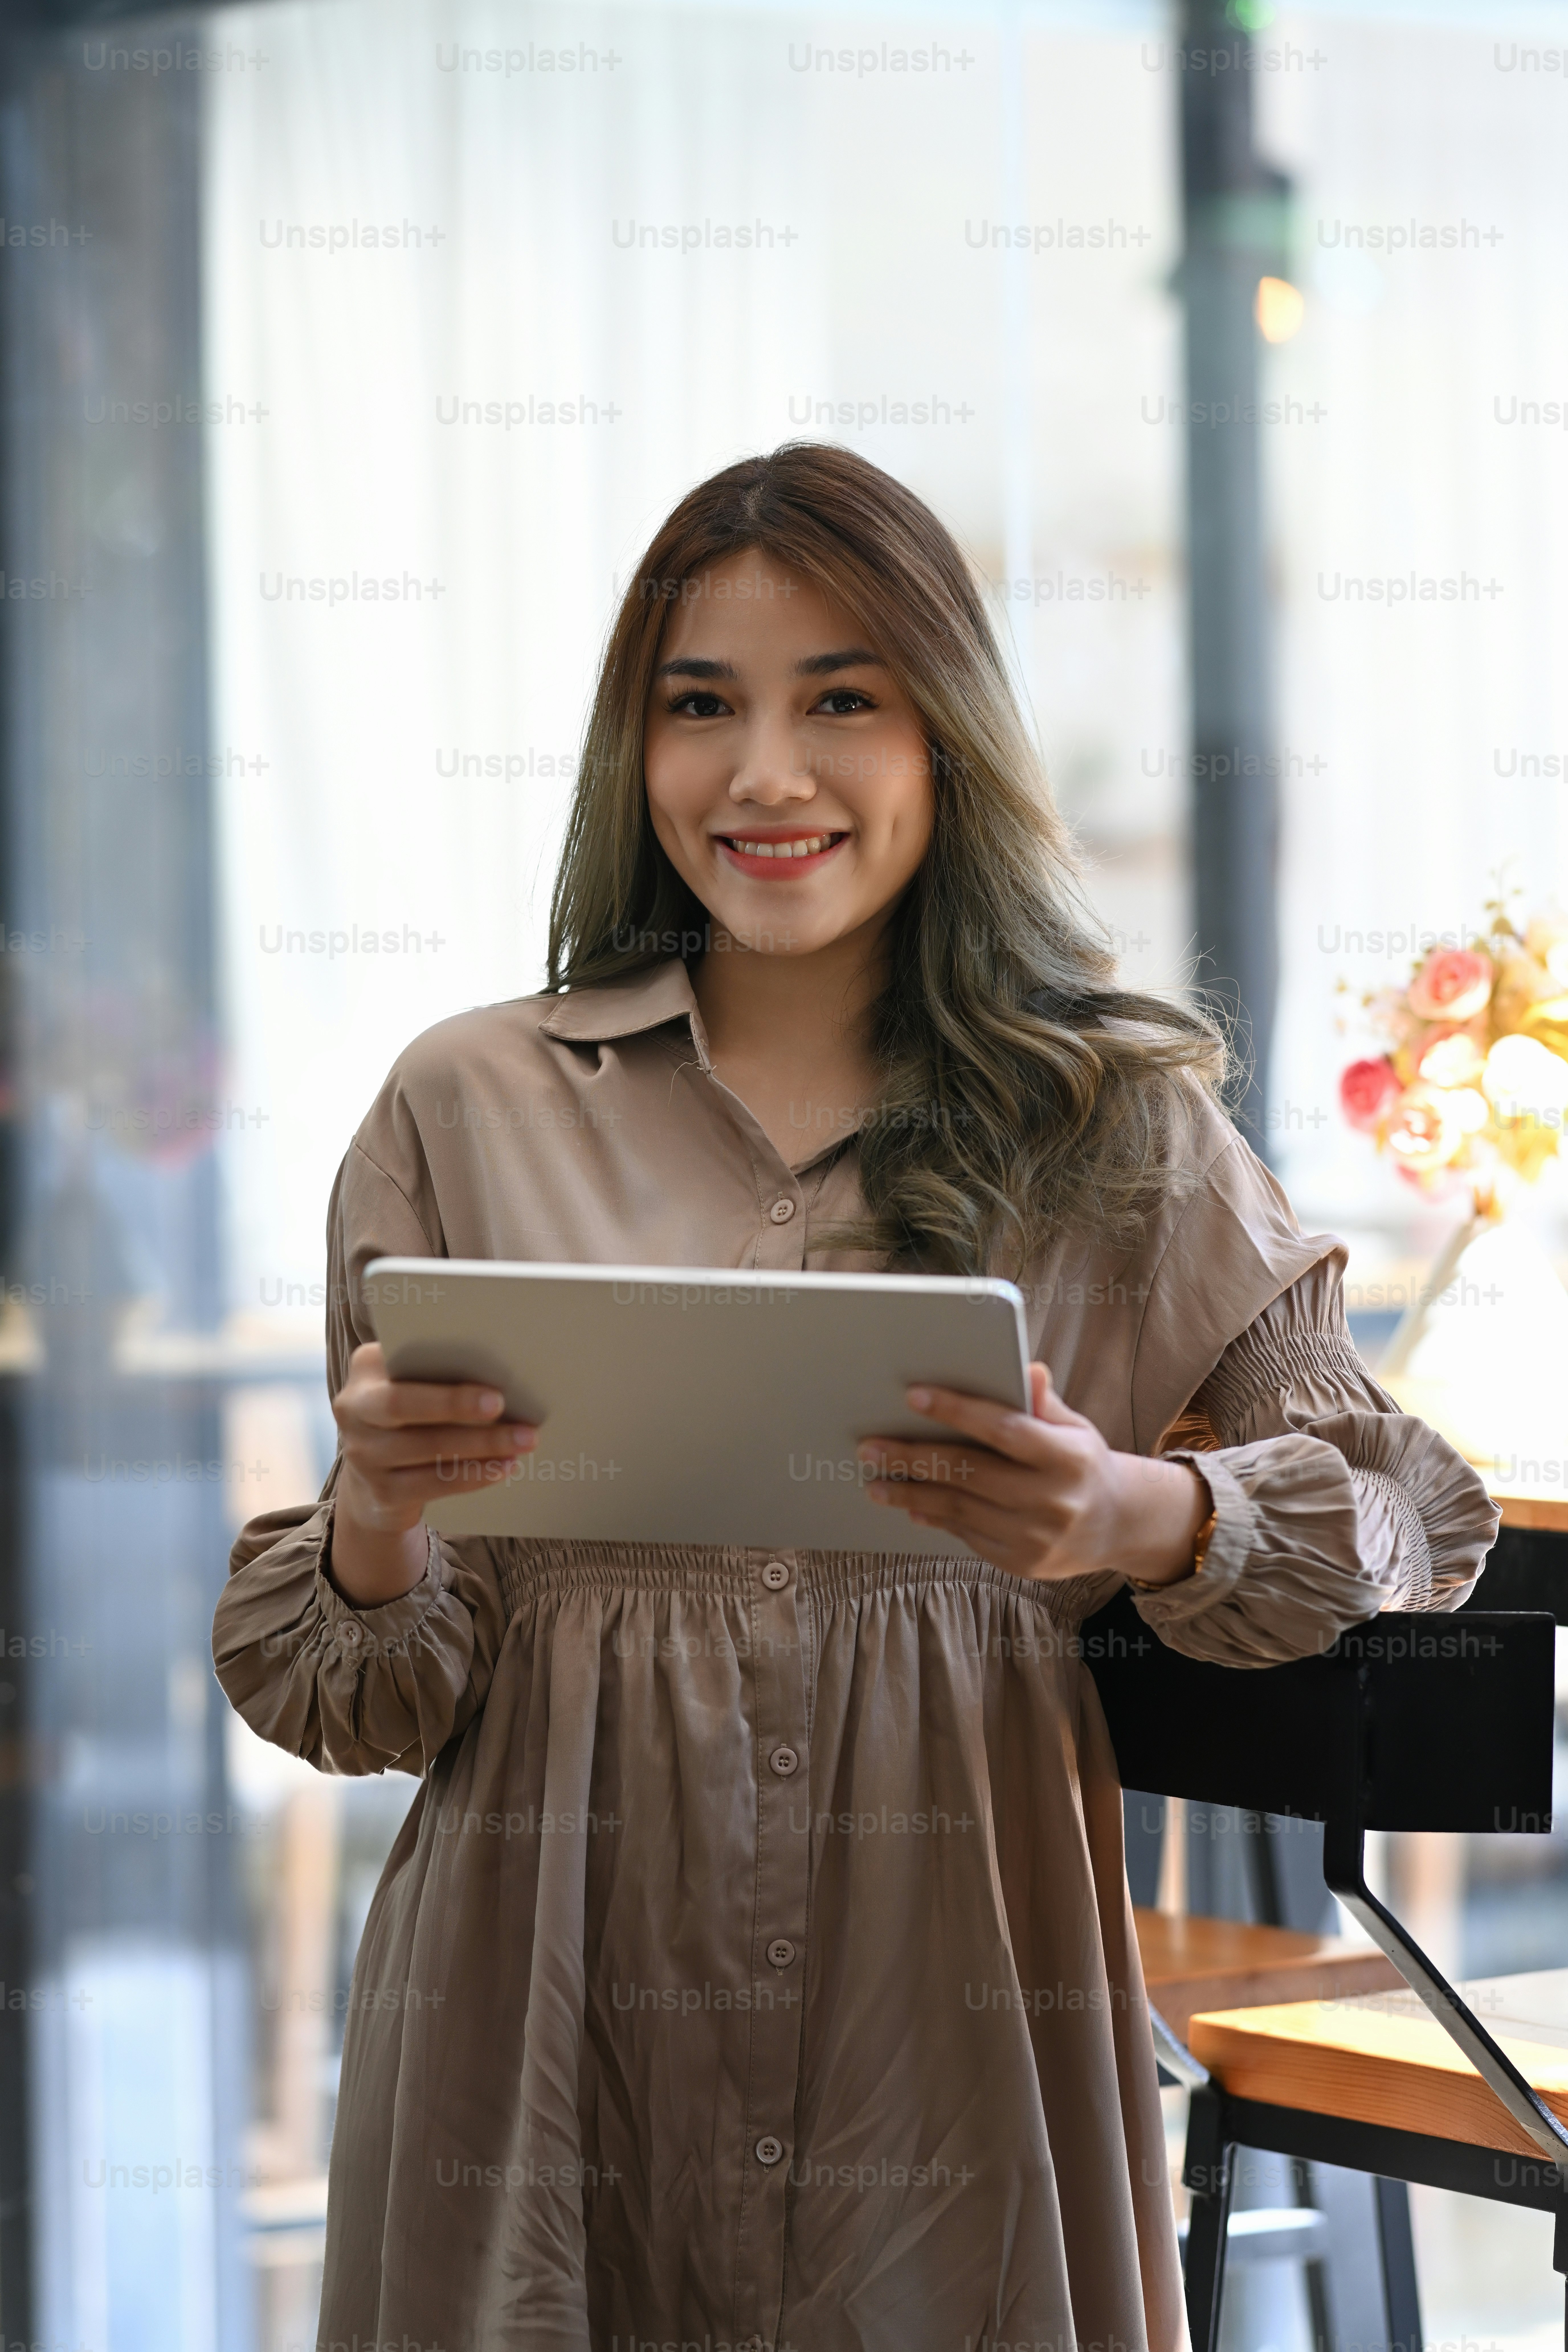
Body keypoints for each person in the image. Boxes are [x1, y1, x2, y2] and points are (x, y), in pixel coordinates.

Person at [213, 444, 1497, 2352]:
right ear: (631, 755)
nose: (765, 778)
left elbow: (1414, 1513)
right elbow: (353, 1690)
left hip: (952, 2031)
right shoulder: (462, 1106)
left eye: (843, 702)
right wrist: (386, 1529)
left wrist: (1142, 1517)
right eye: (700, 708)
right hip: (533, 2041)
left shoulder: (1119, 1133)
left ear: (946, 740)